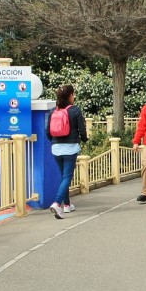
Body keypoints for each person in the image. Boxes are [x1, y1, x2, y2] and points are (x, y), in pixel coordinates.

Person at [46, 85, 88, 219]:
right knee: (67, 177)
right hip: (70, 148)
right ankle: (58, 203)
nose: (74, 97)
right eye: (73, 94)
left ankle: (67, 205)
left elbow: (48, 132)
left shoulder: (53, 111)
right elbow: (82, 130)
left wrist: (54, 141)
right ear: (70, 96)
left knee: (63, 176)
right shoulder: (75, 110)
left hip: (56, 148)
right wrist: (84, 139)